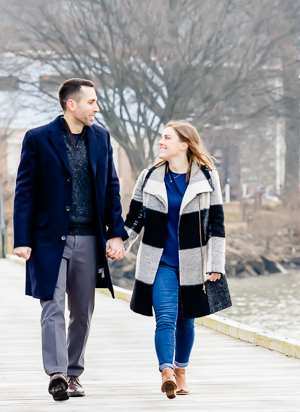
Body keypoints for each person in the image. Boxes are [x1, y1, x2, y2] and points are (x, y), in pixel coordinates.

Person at [13, 78, 127, 402]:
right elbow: (25, 191)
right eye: (92, 102)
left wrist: (116, 234)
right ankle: (57, 373)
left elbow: (111, 189)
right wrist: (22, 238)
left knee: (83, 310)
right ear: (71, 104)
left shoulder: (102, 138)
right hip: (49, 239)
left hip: (89, 238)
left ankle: (74, 372)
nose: (97, 108)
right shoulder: (37, 139)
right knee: (52, 305)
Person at [123, 120, 225, 399]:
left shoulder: (207, 177)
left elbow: (216, 224)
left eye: (167, 138)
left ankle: (181, 371)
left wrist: (216, 264)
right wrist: (120, 244)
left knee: (186, 321)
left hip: (193, 262)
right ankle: (166, 372)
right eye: (161, 137)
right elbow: (135, 218)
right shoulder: (149, 176)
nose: (161, 142)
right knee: (165, 318)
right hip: (158, 263)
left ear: (184, 145)